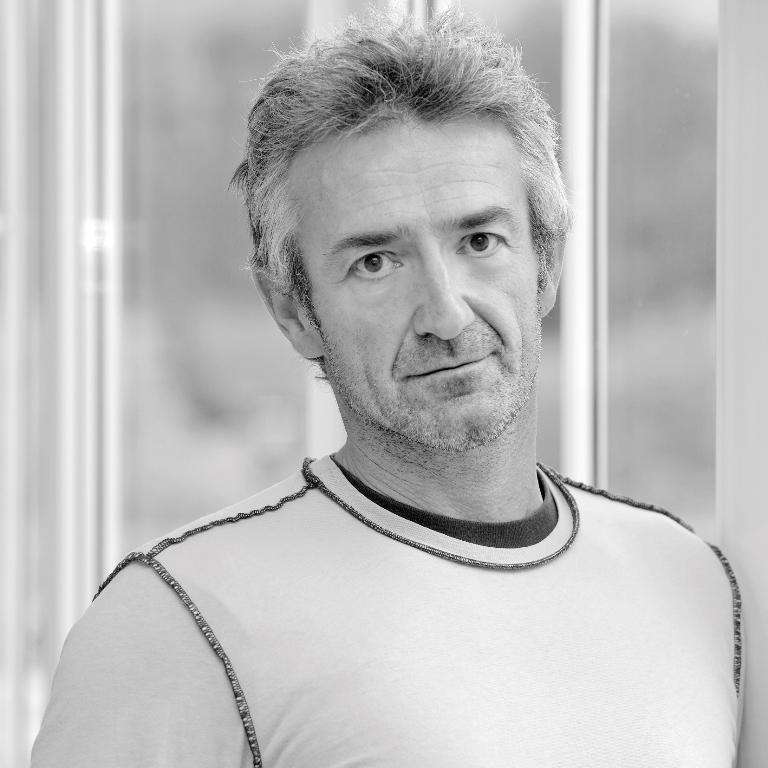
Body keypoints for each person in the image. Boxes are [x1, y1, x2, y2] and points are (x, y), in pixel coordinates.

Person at [32, 9, 742, 767]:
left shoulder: (692, 581)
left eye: (479, 240)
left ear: (546, 264)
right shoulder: (178, 619)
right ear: (293, 310)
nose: (446, 314)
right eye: (375, 262)